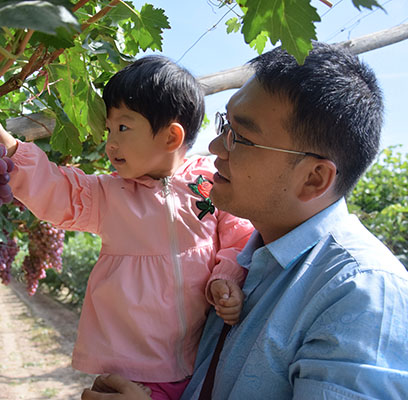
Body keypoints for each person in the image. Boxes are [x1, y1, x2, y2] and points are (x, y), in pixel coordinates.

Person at [80, 42, 408, 400]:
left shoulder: (360, 295)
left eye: (242, 138)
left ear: (314, 178)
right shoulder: (241, 261)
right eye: (225, 125)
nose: (217, 147)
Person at [0, 55, 254, 399]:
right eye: (109, 129)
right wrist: (10, 146)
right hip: (132, 372)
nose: (110, 142)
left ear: (171, 137)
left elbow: (238, 231)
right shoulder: (109, 194)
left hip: (202, 359)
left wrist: (226, 276)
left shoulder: (208, 182)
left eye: (122, 128)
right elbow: (58, 191)